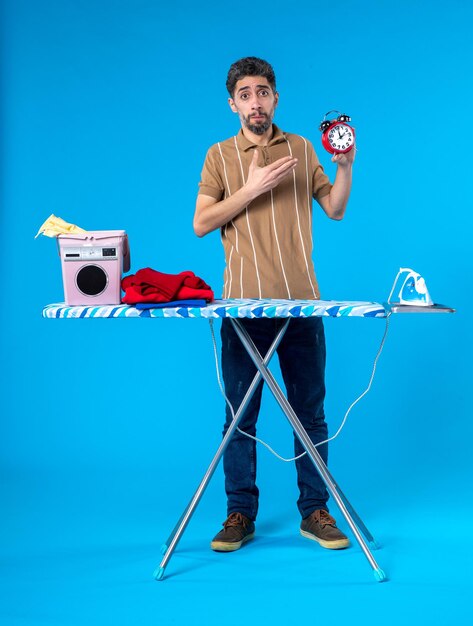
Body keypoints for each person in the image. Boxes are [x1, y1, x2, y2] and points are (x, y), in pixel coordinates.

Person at [193, 57, 355, 553]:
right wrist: (250, 189)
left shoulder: (304, 149)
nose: (255, 102)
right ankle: (239, 513)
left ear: (275, 97)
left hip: (303, 304)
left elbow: (335, 209)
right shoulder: (219, 156)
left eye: (262, 92)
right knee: (240, 416)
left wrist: (345, 166)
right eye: (245, 94)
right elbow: (201, 223)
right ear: (233, 103)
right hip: (244, 309)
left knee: (310, 412)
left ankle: (316, 512)